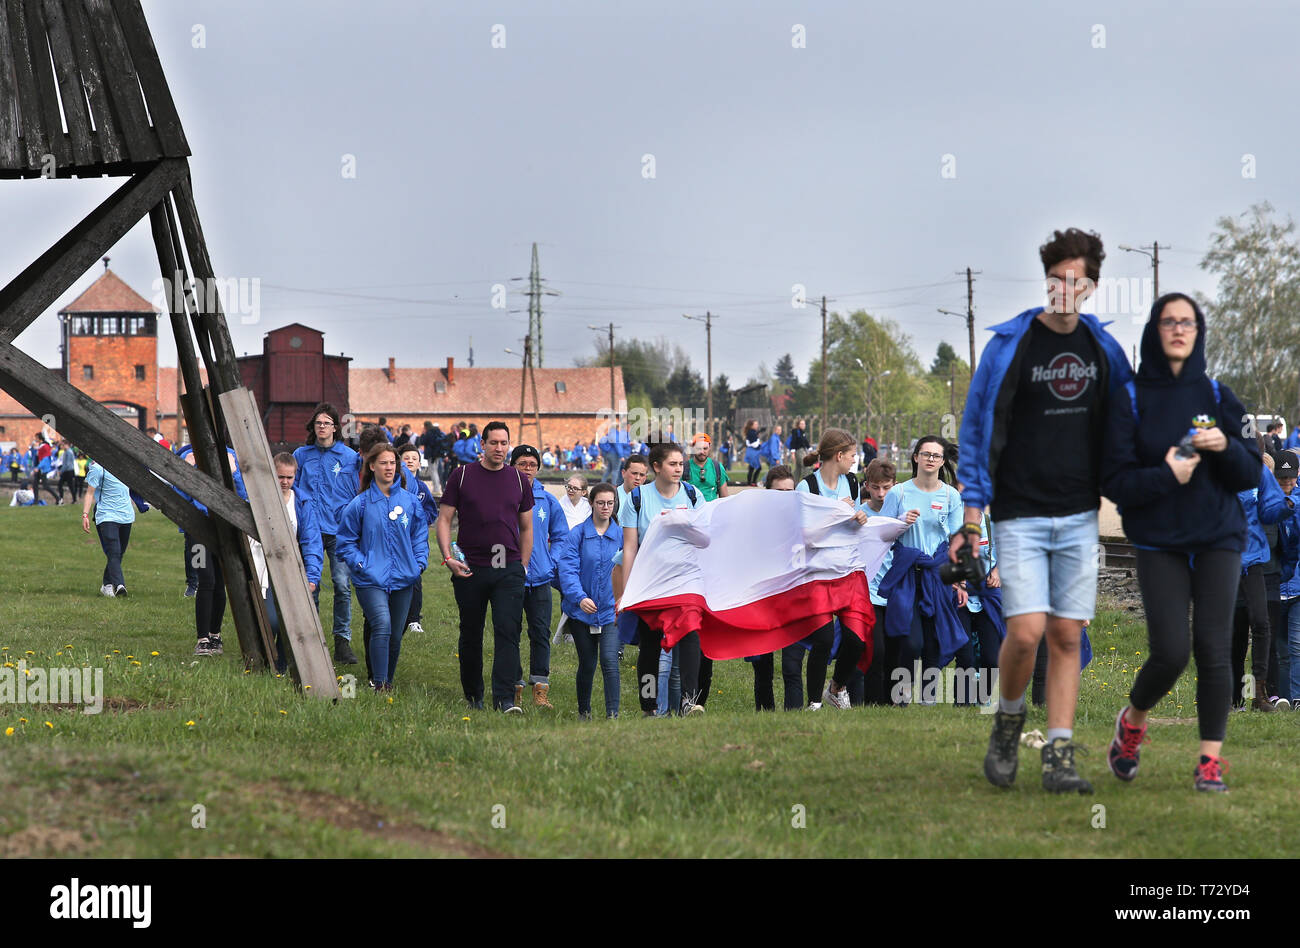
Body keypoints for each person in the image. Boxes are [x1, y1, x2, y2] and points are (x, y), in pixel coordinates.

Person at [956, 227, 1133, 794]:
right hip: (1019, 513)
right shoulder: (1011, 344)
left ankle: (1059, 753)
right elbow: (979, 429)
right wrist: (972, 519)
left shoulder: (1103, 350)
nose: (1063, 288)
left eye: (1074, 280)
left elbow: (1128, 426)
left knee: (1065, 635)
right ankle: (1008, 725)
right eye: (1055, 278)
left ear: (1091, 287)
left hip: (1079, 513)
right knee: (1027, 632)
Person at [1101, 292, 1264, 792]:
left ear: (1199, 331)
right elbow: (1116, 480)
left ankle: (1209, 761)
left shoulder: (1217, 395)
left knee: (1214, 648)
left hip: (1219, 536)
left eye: (1187, 322)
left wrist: (1226, 446)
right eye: (1169, 321)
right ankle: (1132, 723)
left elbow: (1249, 473)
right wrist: (1167, 475)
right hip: (1158, 540)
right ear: (1155, 330)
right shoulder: (1129, 397)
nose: (1178, 329)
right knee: (1170, 652)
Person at [437, 421, 534, 712]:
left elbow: (527, 527)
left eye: (504, 443)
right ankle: (473, 695)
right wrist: (447, 557)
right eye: (494, 443)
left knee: (508, 631)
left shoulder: (518, 479)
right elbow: (444, 520)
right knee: (471, 632)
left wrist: (524, 566)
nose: (500, 449)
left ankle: (504, 698)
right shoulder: (462, 475)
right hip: (470, 568)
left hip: (509, 568)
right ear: (482, 444)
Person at [619, 442, 709, 714]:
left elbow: (706, 540)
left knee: (691, 633)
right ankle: (649, 706)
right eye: (672, 464)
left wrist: (682, 522)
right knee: (650, 647)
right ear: (656, 467)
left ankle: (689, 701)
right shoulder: (637, 499)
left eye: (681, 463)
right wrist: (627, 591)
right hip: (651, 583)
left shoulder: (693, 496)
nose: (679, 468)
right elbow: (630, 548)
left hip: (686, 580)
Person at [878, 436, 967, 704]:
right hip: (907, 575)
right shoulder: (899, 493)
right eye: (925, 454)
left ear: (942, 461)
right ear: (915, 457)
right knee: (911, 642)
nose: (930, 459)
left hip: (938, 576)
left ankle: (926, 701)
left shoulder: (951, 496)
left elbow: (957, 541)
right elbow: (882, 534)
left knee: (933, 643)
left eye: (936, 456)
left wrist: (959, 581)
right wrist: (900, 523)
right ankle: (901, 695)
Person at [336, 443, 428, 690]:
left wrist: (419, 563)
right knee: (382, 625)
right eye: (384, 463)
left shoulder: (410, 502)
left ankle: (387, 680)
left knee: (396, 635)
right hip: (370, 579)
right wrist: (361, 564)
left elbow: (419, 535)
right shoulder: (360, 504)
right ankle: (378, 684)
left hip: (404, 577)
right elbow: (345, 542)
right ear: (372, 466)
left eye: (392, 463)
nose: (389, 467)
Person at [794, 429, 873, 709]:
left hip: (847, 571)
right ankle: (814, 703)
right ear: (838, 456)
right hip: (818, 574)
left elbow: (851, 523)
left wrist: (859, 517)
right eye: (852, 455)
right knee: (824, 639)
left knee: (856, 639)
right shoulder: (807, 488)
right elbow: (805, 535)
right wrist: (834, 511)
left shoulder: (852, 483)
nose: (855, 460)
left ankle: (836, 688)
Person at [294, 403, 362, 665]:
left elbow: (359, 492)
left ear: (336, 427)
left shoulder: (349, 457)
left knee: (342, 586)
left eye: (327, 423)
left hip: (339, 531)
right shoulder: (301, 455)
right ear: (313, 427)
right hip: (309, 530)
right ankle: (311, 639)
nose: (322, 427)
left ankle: (342, 642)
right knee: (310, 586)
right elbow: (293, 489)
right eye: (318, 423)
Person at [1229, 444, 1292, 711]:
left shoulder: (1265, 483)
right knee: (1236, 635)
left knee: (1263, 626)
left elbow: (1286, 537)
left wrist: (1286, 504)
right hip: (1230, 566)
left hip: (1261, 567)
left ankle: (1262, 694)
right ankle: (1234, 697)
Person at [250, 453, 324, 674]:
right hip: (264, 566)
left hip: (292, 568)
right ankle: (262, 659)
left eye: (289, 477)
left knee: (291, 621)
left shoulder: (302, 502)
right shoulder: (260, 498)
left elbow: (311, 541)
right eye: (280, 476)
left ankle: (281, 665)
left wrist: (312, 576)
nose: (284, 481)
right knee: (271, 619)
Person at [558, 482, 624, 718]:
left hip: (610, 611)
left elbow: (629, 569)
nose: (605, 507)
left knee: (609, 661)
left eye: (610, 503)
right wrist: (579, 598)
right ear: (591, 503)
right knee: (587, 663)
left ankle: (612, 714)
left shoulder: (622, 535)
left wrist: (622, 600)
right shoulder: (577, 534)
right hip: (581, 612)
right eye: (600, 503)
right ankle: (584, 712)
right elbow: (567, 569)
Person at [512, 445, 568, 709]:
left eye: (532, 464)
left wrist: (551, 560)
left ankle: (540, 688)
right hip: (511, 578)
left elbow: (561, 536)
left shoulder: (547, 500)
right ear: (513, 466)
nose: (527, 469)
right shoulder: (504, 496)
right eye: (522, 464)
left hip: (541, 578)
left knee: (540, 633)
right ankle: (513, 686)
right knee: (509, 632)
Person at [750, 465, 808, 711]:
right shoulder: (754, 521)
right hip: (763, 599)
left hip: (794, 599)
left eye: (789, 491)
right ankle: (765, 714)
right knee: (762, 665)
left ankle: (793, 715)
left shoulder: (804, 519)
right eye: (779, 491)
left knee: (792, 665)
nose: (785, 496)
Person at [858, 458, 903, 705]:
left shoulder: (900, 513)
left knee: (896, 648)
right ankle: (872, 701)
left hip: (895, 590)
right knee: (876, 651)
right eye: (875, 487)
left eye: (886, 487)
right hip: (868, 591)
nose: (881, 493)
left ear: (894, 485)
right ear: (867, 486)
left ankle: (893, 702)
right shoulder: (860, 514)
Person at [399, 444, 438, 637]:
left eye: (414, 458)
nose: (410, 461)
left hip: (414, 540)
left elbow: (432, 510)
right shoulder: (395, 484)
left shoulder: (422, 488)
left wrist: (421, 522)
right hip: (396, 538)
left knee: (415, 577)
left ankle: (414, 619)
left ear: (419, 463)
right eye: (406, 457)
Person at [81, 458, 134, 598]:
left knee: (118, 553)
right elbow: (90, 493)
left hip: (127, 516)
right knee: (114, 551)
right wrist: (85, 515)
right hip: (107, 515)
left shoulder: (125, 466)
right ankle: (119, 585)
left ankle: (107, 584)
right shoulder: (98, 468)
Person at [684, 433, 729, 502]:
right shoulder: (684, 468)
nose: (702, 452)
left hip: (711, 511)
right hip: (692, 511)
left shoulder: (718, 467)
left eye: (705, 448)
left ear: (709, 447)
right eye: (699, 448)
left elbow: (725, 498)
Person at [743, 420, 763, 486]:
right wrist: (759, 444)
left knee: (752, 467)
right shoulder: (751, 433)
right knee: (757, 467)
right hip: (753, 452)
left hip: (751, 451)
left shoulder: (752, 432)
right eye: (756, 424)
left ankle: (750, 482)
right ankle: (753, 482)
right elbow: (754, 444)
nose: (757, 425)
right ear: (751, 425)